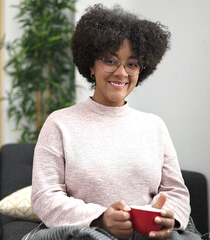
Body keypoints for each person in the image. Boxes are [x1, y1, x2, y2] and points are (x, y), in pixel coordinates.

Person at [31, 4, 194, 240]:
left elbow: (176, 191)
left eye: (132, 63)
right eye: (110, 60)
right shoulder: (59, 123)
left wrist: (169, 217)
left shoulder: (154, 126)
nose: (121, 72)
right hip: (84, 233)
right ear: (91, 65)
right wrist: (101, 218)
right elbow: (45, 197)